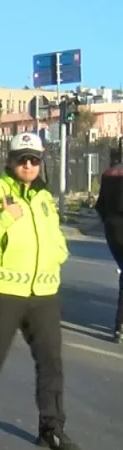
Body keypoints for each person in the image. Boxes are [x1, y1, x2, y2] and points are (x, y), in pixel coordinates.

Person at [0, 132, 81, 450]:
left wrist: (59, 254)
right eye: (21, 159)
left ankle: (52, 428)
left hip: (44, 292)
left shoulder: (43, 197)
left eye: (34, 159)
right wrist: (4, 218)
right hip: (3, 290)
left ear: (41, 163)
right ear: (9, 161)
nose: (28, 165)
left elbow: (53, 237)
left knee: (51, 361)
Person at [93, 141, 123, 344]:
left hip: (113, 229)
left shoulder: (108, 173)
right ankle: (119, 326)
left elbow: (100, 206)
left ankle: (119, 327)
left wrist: (109, 222)